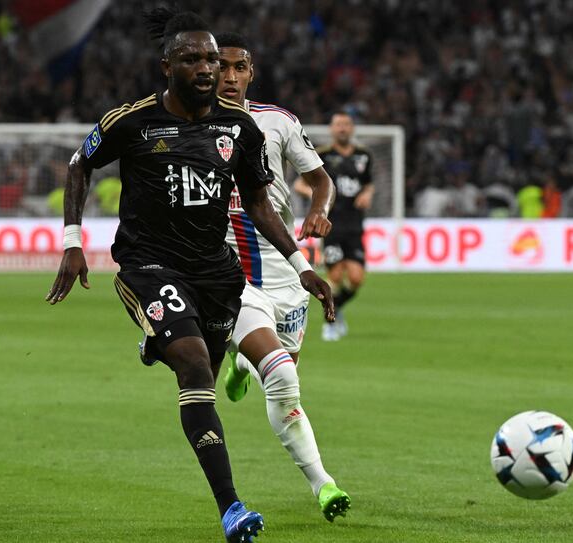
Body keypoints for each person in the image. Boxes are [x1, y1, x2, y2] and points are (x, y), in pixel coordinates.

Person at [45, 8, 334, 542]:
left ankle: (162, 339)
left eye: (210, 58)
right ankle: (232, 508)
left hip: (217, 274)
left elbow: (260, 205)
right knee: (196, 367)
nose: (207, 68)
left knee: (203, 360)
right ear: (166, 66)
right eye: (193, 59)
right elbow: (78, 164)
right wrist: (72, 242)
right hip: (148, 265)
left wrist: (303, 266)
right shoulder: (129, 122)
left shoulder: (239, 128)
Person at [215, 32, 351, 522]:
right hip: (226, 277)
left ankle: (241, 363)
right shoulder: (187, 127)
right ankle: (324, 484)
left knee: (280, 370)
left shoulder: (278, 122)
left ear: (251, 74)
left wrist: (320, 210)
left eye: (239, 68)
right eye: (221, 66)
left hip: (286, 270)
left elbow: (320, 180)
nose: (229, 77)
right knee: (284, 378)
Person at [295, 112, 373, 341]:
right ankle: (330, 322)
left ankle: (336, 308)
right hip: (331, 225)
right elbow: (300, 184)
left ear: (352, 129)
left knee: (357, 279)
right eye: (338, 124)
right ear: (331, 129)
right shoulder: (322, 156)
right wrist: (321, 198)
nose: (342, 128)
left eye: (346, 124)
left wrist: (367, 194)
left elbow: (368, 184)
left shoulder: (364, 156)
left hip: (355, 225)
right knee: (336, 275)